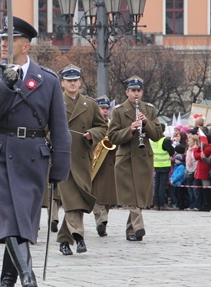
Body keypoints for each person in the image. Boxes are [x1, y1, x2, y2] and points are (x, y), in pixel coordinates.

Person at [0, 16, 71, 287]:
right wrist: (5, 85)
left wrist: (61, 165)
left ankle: (7, 282)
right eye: (2, 38)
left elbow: (59, 125)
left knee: (22, 222)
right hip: (1, 152)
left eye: (10, 39)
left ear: (26, 45)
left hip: (33, 155)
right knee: (9, 218)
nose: (3, 43)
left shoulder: (48, 80)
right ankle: (26, 277)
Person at [56, 64, 107, 256]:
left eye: (75, 80)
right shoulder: (55, 102)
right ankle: (78, 236)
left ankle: (63, 240)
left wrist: (91, 134)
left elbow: (102, 127)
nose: (72, 84)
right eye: (69, 81)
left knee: (78, 200)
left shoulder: (89, 104)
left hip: (83, 159)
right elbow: (44, 127)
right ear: (62, 83)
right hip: (63, 159)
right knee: (71, 200)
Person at [108, 76, 164, 242]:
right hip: (125, 159)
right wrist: (130, 129)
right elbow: (112, 137)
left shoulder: (149, 110)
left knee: (139, 196)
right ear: (127, 92)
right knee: (130, 195)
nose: (136, 94)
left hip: (143, 159)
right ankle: (139, 226)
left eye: (138, 90)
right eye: (133, 91)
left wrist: (146, 123)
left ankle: (131, 231)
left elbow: (157, 135)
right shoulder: (118, 111)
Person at [91, 95, 118, 236]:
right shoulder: (91, 122)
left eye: (107, 108)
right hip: (94, 163)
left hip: (109, 163)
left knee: (107, 196)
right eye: (102, 108)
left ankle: (103, 222)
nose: (105, 111)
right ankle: (101, 220)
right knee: (95, 194)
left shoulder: (112, 123)